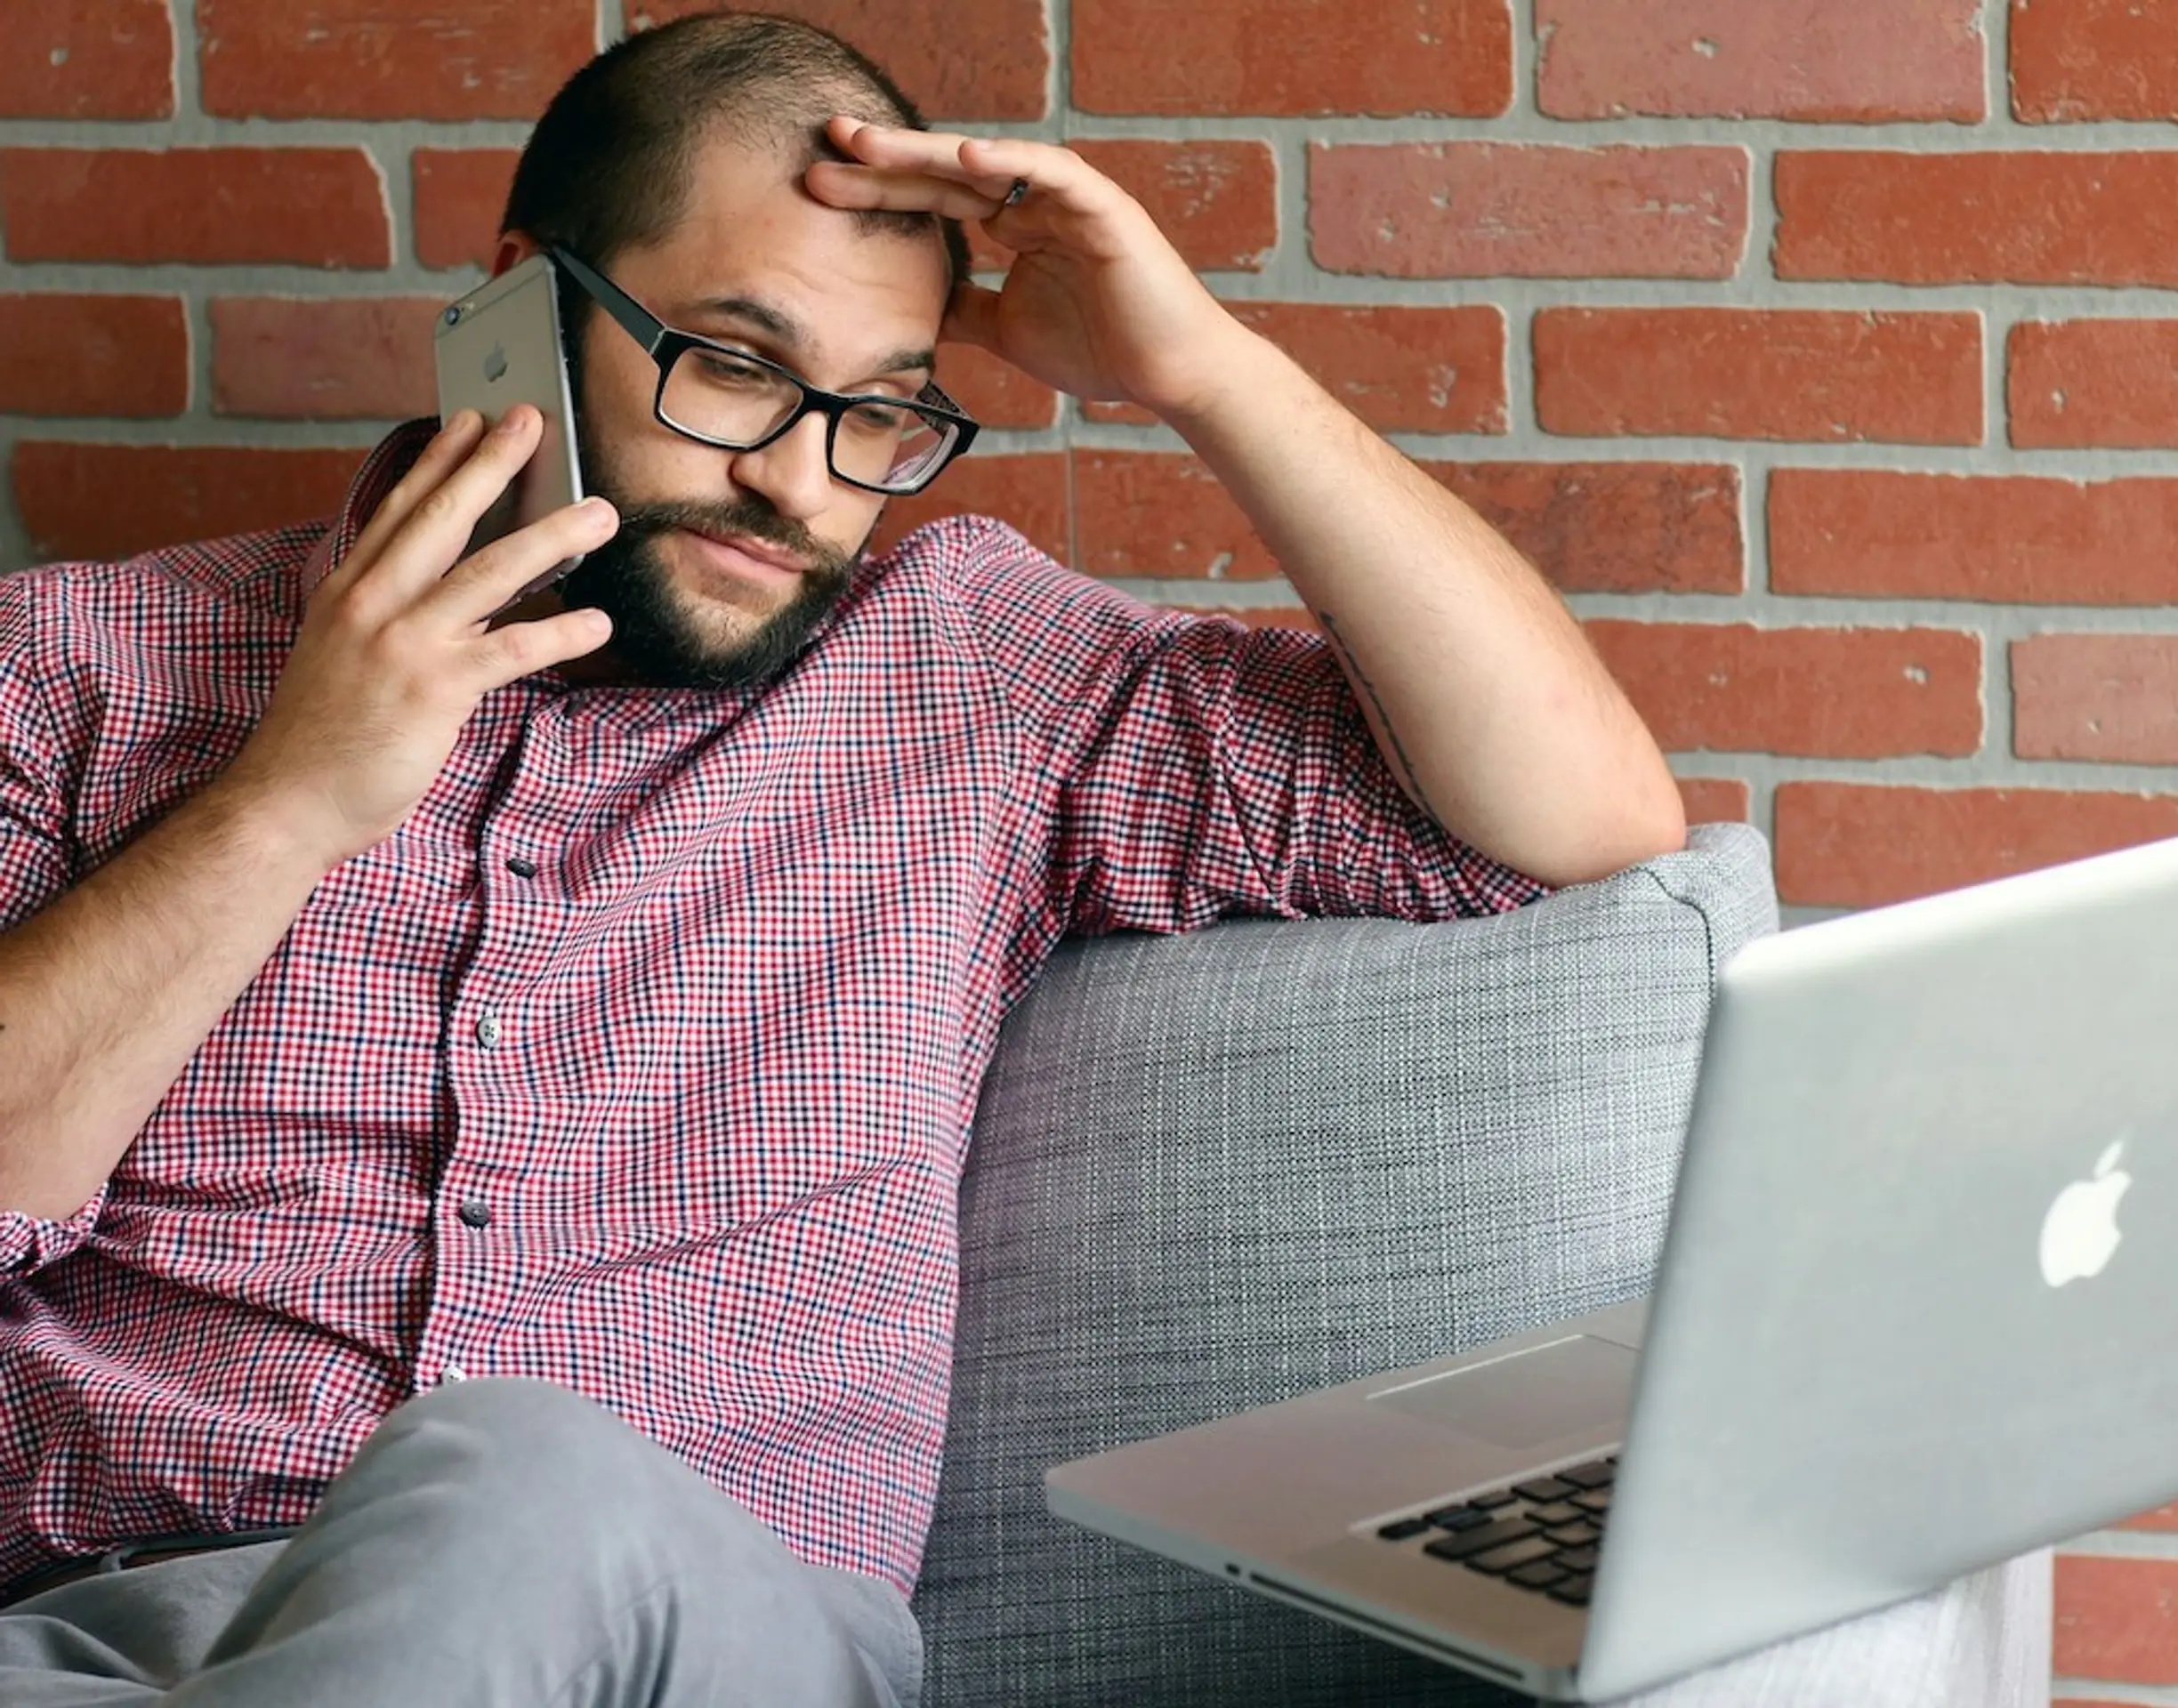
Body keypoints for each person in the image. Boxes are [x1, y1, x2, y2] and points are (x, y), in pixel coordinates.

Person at [0, 12, 1683, 1704]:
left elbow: (1578, 816)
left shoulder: (976, 683)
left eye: (880, 415)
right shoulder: (80, 668)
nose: (799, 485)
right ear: (523, 304)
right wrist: (287, 801)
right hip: (92, 1635)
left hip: (690, 1637)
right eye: (732, 366)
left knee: (509, 1476)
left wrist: (1204, 370)